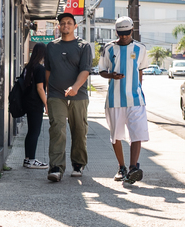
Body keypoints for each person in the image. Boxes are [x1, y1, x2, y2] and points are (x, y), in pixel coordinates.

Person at [99, 16, 148, 184]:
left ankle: (134, 168)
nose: (124, 36)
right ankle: (122, 167)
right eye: (121, 33)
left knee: (137, 133)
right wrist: (111, 75)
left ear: (132, 31)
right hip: (114, 99)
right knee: (116, 136)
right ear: (116, 32)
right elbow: (101, 70)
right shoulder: (109, 48)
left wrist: (139, 90)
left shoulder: (141, 48)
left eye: (127, 33)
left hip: (136, 100)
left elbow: (140, 72)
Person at [44, 12, 92, 182]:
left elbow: (85, 70)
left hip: (78, 96)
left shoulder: (84, 46)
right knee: (57, 128)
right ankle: (56, 167)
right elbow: (48, 71)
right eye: (62, 23)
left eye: (69, 23)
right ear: (59, 26)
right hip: (56, 95)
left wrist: (75, 87)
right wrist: (49, 95)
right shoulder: (51, 46)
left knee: (79, 130)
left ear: (75, 26)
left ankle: (78, 164)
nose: (65, 25)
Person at [21, 43, 48, 169]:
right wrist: (46, 104)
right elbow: (40, 88)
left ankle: (27, 159)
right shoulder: (40, 68)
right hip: (35, 103)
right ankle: (31, 160)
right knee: (35, 132)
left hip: (27, 102)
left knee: (31, 131)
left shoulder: (28, 67)